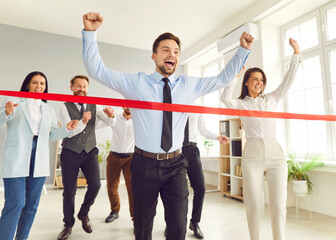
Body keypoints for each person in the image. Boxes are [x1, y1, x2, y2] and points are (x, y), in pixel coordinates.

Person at [81, 12, 253, 240]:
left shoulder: (189, 85)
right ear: (154, 56)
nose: (172, 55)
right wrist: (91, 34)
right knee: (142, 228)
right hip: (143, 165)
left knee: (178, 229)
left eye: (176, 52)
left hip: (175, 165)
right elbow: (97, 71)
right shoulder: (136, 84)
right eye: (165, 50)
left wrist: (242, 51)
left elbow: (222, 79)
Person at [221, 38, 300, 240]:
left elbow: (288, 81)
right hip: (253, 155)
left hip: (276, 155)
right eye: (255, 79)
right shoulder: (240, 104)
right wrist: (233, 76)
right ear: (247, 82)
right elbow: (224, 98)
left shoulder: (271, 99)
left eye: (261, 80)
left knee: (278, 207)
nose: (259, 83)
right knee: (254, 206)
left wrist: (296, 54)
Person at [0, 71, 78, 240]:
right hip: (17, 157)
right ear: (27, 84)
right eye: (35, 82)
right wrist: (6, 113)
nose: (38, 86)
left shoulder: (48, 109)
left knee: (31, 206)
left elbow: (51, 134)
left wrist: (67, 129)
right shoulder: (13, 101)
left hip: (39, 158)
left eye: (42, 83)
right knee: (15, 203)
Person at [57, 75, 115, 240]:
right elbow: (70, 131)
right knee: (69, 191)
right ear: (72, 87)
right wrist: (83, 121)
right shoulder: (64, 106)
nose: (81, 89)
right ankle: (68, 224)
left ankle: (83, 213)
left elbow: (108, 123)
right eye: (78, 86)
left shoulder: (94, 105)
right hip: (70, 151)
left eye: (84, 86)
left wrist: (111, 116)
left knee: (96, 185)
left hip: (90, 152)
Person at [183, 113, 229, 239]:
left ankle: (195, 222)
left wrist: (217, 137)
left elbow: (202, 129)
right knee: (176, 191)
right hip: (176, 150)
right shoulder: (174, 102)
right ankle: (173, 223)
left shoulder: (197, 107)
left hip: (192, 149)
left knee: (200, 188)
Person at [104, 107, 134, 224]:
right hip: (114, 157)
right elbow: (109, 120)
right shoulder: (115, 118)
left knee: (132, 188)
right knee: (111, 186)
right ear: (122, 106)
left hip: (131, 158)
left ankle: (135, 217)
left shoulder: (138, 120)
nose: (129, 108)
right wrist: (110, 115)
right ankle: (114, 211)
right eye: (126, 105)